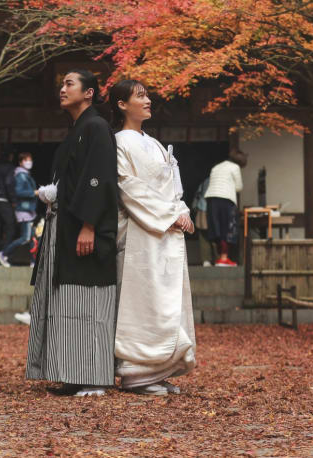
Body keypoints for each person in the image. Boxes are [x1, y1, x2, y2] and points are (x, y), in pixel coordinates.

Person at [26, 70, 119, 397]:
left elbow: (101, 179)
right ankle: (74, 373)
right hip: (66, 227)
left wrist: (89, 225)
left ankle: (94, 377)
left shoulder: (96, 128)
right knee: (68, 301)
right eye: (61, 83)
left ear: (89, 92)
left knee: (90, 302)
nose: (62, 89)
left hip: (86, 229)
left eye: (69, 84)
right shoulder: (77, 130)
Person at [110, 79, 196, 396]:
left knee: (167, 300)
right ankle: (136, 372)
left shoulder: (156, 143)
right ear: (122, 104)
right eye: (140, 96)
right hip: (140, 232)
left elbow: (173, 186)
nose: (148, 101)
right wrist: (168, 214)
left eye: (148, 96)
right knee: (143, 300)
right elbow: (128, 187)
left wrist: (181, 209)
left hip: (166, 231)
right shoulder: (119, 142)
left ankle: (159, 370)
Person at [204, 149, 247, 266]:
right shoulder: (235, 167)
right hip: (226, 200)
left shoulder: (216, 167)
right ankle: (224, 258)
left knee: (216, 228)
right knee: (227, 228)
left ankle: (220, 258)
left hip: (211, 199)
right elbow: (238, 187)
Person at [0, 152, 38, 267]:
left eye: (30, 160)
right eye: (26, 160)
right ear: (20, 162)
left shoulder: (25, 174)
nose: (29, 162)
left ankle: (33, 262)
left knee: (32, 237)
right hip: (24, 210)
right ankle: (4, 253)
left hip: (28, 210)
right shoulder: (21, 175)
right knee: (26, 237)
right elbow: (18, 192)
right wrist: (33, 192)